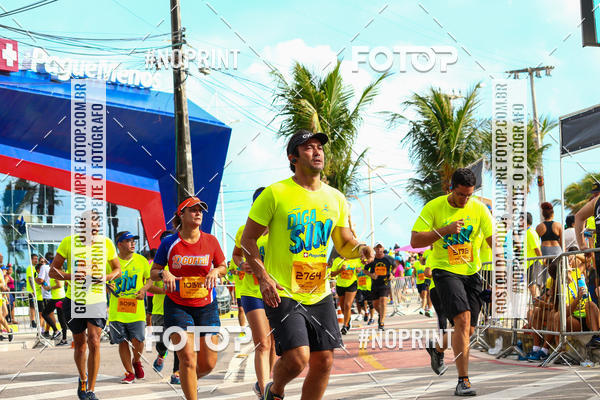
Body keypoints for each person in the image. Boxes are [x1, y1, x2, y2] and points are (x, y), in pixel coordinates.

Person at [240, 130, 374, 400]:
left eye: (319, 147)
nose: (317, 152)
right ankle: (274, 389)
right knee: (297, 358)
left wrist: (360, 248)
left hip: (319, 292)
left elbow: (343, 242)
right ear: (293, 157)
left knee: (324, 360)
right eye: (309, 147)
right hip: (283, 291)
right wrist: (264, 278)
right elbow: (248, 240)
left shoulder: (335, 198)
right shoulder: (275, 194)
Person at [411, 168, 493, 397]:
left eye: (469, 195)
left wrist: (505, 264)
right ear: (450, 188)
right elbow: (415, 240)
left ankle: (437, 348)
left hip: (472, 273)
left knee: (468, 329)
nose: (465, 200)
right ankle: (463, 381)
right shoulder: (434, 207)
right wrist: (445, 230)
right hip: (444, 270)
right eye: (461, 195)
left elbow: (493, 240)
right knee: (463, 319)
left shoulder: (479, 208)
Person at [150, 197, 227, 400]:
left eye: (200, 210)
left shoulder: (211, 241)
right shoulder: (169, 243)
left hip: (206, 305)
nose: (198, 213)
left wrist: (215, 271)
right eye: (193, 210)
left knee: (208, 363)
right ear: (181, 215)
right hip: (178, 306)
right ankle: (190, 391)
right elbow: (153, 272)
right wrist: (164, 273)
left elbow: (223, 266)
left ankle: (188, 379)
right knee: (187, 358)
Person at [49, 210, 122, 400]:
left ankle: (91, 389)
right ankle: (82, 378)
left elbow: (118, 270)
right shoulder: (68, 242)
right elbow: (52, 271)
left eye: (97, 225)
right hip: (74, 300)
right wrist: (71, 276)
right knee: (80, 345)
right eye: (90, 225)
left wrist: (106, 277)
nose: (94, 228)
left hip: (97, 299)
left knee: (94, 341)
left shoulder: (106, 243)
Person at [232, 187, 276, 398]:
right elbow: (236, 255)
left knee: (274, 344)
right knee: (263, 343)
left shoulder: (280, 232)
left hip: (276, 292)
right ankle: (266, 391)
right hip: (252, 292)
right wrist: (242, 265)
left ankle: (264, 384)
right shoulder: (244, 230)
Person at [107, 231, 151, 383]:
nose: (133, 243)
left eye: (134, 240)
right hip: (117, 311)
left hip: (136, 310)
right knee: (122, 341)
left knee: (139, 340)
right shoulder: (110, 262)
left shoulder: (141, 260)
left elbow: (150, 279)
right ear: (119, 244)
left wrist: (143, 290)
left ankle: (136, 361)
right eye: (128, 241)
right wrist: (108, 287)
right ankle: (129, 372)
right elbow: (103, 282)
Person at [151, 230, 181, 385]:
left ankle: (177, 372)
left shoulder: (181, 262)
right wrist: (164, 290)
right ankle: (161, 353)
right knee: (162, 342)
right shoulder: (156, 265)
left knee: (179, 342)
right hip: (159, 310)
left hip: (178, 308)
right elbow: (149, 286)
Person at [364, 243, 395, 330]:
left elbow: (395, 266)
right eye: (377, 247)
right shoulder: (372, 259)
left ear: (383, 248)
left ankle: (381, 323)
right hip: (375, 284)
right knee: (375, 304)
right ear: (374, 249)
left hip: (385, 283)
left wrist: (392, 274)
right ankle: (381, 315)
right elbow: (365, 270)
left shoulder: (388, 258)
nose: (379, 249)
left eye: (380, 247)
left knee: (383, 302)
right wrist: (371, 275)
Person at [330, 256, 360, 334]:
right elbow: (332, 274)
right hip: (340, 285)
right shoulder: (337, 260)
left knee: (347, 305)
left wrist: (358, 270)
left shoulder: (355, 259)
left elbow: (360, 269)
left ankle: (345, 325)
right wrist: (340, 270)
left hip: (352, 284)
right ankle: (348, 319)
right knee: (343, 307)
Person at [536, 202, 563, 284]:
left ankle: (547, 289)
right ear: (552, 214)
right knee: (558, 271)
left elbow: (536, 243)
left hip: (545, 250)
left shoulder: (539, 227)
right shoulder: (558, 225)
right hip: (557, 250)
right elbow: (562, 242)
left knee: (547, 273)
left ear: (543, 215)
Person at [38, 260, 62, 340]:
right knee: (59, 317)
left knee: (47, 314)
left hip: (54, 297)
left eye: (43, 261)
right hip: (57, 296)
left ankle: (55, 331)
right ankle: (58, 334)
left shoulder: (52, 271)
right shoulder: (57, 271)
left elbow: (59, 285)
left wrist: (49, 287)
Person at [526, 212, 543, 298]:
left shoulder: (530, 232)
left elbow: (537, 249)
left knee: (533, 286)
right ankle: (536, 303)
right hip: (530, 263)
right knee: (532, 286)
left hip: (533, 263)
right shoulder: (528, 232)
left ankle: (537, 303)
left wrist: (542, 261)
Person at [26, 253, 38, 328]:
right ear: (31, 259)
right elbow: (30, 279)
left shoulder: (34, 268)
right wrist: (34, 290)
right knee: (32, 307)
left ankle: (33, 321)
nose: (36, 260)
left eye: (37, 259)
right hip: (32, 291)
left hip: (35, 291)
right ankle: (32, 321)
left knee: (34, 306)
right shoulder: (30, 267)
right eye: (35, 259)